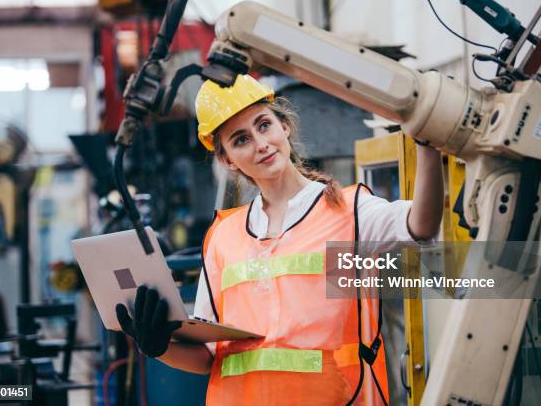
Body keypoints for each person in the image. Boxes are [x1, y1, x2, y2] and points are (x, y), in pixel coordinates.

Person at [116, 74, 444, 405]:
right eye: (241, 140)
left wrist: (427, 146)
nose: (261, 144)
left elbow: (421, 224)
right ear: (228, 159)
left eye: (264, 125)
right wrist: (157, 348)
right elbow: (208, 359)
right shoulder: (222, 238)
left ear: (284, 126)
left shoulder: (350, 212)